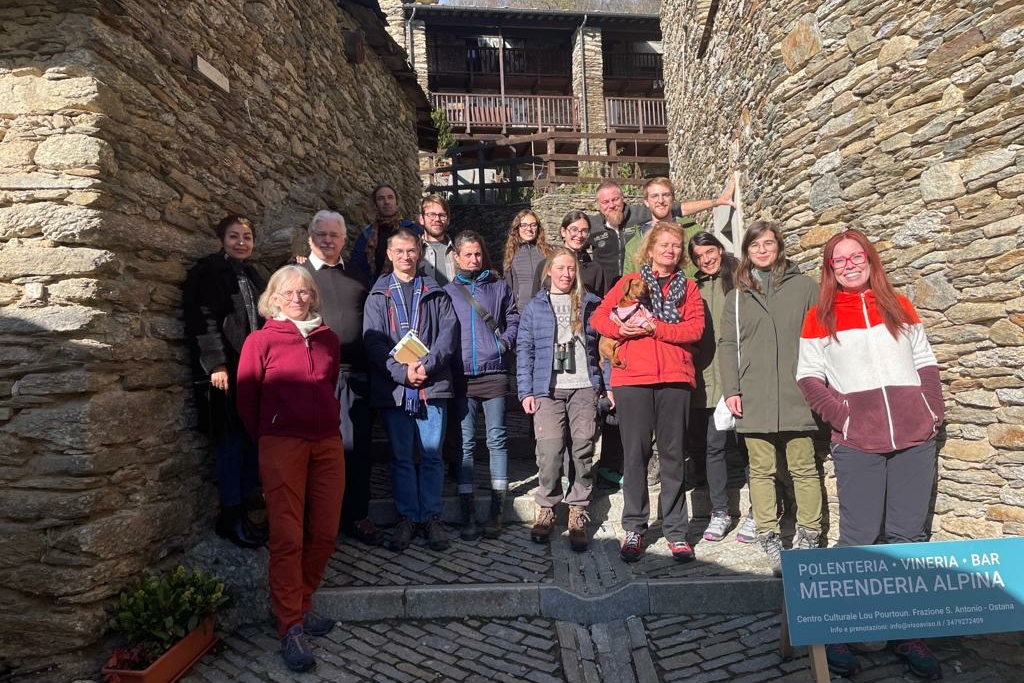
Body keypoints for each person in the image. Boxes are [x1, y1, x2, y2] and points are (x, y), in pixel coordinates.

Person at [797, 229, 944, 680]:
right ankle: (840, 629)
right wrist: (844, 418)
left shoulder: (898, 303)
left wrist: (930, 412)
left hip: (914, 441)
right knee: (858, 539)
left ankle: (905, 630)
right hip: (858, 442)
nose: (847, 265)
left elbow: (925, 361)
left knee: (908, 538)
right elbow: (809, 378)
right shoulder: (819, 315)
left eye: (854, 256)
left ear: (870, 258)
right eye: (837, 261)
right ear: (829, 269)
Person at [235, 265, 344, 673]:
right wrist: (271, 433)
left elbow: (329, 384)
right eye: (289, 292)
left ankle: (304, 600)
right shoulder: (260, 341)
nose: (298, 298)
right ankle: (290, 624)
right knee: (286, 536)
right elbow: (247, 399)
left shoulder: (328, 339)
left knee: (325, 530)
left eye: (305, 292)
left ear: (313, 297)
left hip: (327, 443)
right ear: (275, 297)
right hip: (281, 445)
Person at [592, 221, 705, 563]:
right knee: (635, 456)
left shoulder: (689, 289)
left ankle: (676, 532)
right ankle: (635, 527)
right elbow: (599, 318)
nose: (669, 250)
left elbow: (695, 329)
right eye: (664, 245)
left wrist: (657, 328)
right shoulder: (629, 283)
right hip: (633, 380)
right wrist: (621, 328)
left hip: (674, 378)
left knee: (672, 457)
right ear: (650, 248)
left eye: (675, 246)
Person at [718, 221, 822, 576]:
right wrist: (731, 390)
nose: (762, 251)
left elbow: (823, 336)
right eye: (755, 245)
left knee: (804, 467)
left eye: (768, 244)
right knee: (761, 471)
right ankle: (768, 534)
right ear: (746, 252)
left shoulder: (806, 288)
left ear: (779, 247)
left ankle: (810, 533)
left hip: (797, 391)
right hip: (754, 393)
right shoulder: (736, 297)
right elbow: (728, 346)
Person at [363, 228, 458, 552]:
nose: (406, 256)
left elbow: (448, 333)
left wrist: (426, 367)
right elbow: (373, 341)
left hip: (432, 386)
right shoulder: (378, 295)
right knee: (401, 457)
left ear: (420, 252)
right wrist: (402, 373)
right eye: (399, 251)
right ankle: (407, 517)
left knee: (432, 457)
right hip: (395, 389)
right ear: (389, 254)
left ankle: (431, 517)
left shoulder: (435, 290)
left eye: (411, 251)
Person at [183, 215, 266, 549]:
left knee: (251, 444)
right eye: (235, 236)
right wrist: (216, 363)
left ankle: (244, 511)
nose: (241, 242)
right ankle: (230, 517)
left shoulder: (253, 274)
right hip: (226, 375)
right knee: (230, 445)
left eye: (247, 237)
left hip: (254, 373)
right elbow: (201, 320)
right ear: (222, 239)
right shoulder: (207, 272)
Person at [299, 210, 380, 546]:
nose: (328, 240)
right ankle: (317, 524)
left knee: (357, 452)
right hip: (312, 381)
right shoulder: (296, 276)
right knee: (315, 454)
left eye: (334, 235)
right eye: (321, 234)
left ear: (345, 240)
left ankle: (356, 516)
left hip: (354, 378)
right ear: (310, 238)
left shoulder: (359, 277)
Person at [517, 247, 604, 552]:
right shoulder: (535, 307)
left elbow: (605, 346)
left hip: (583, 387)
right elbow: (524, 349)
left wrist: (605, 385)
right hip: (548, 389)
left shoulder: (591, 304)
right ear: (549, 271)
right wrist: (525, 391)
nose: (566, 274)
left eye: (571, 269)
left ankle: (578, 509)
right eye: (561, 268)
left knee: (582, 449)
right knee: (551, 450)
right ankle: (547, 506)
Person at [444, 231, 520, 540]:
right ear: (457, 257)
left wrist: (503, 344)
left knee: (497, 440)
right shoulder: (447, 292)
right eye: (468, 255)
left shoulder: (498, 287)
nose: (474, 259)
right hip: (462, 376)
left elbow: (514, 319)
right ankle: (468, 513)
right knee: (465, 445)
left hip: (494, 373)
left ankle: (496, 511)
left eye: (478, 254)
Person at [687, 231, 754, 543]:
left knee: (750, 445)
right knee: (714, 446)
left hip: (742, 376)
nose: (705, 260)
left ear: (718, 248)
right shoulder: (694, 286)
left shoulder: (742, 278)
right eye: (698, 257)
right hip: (708, 379)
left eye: (709, 252)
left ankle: (759, 511)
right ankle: (720, 511)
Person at [587, 178, 735, 287]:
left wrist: (717, 202)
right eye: (605, 202)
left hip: (690, 299)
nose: (612, 205)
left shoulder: (638, 215)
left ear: (623, 199)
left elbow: (680, 209)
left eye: (615, 200)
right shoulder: (594, 227)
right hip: (615, 293)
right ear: (598, 205)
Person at [351, 182, 423, 281]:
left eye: (390, 197)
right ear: (375, 204)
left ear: (396, 202)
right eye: (381, 198)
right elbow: (356, 266)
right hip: (376, 290)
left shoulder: (412, 230)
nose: (386, 202)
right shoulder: (367, 235)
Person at [534, 210, 606, 297]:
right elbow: (535, 302)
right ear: (563, 231)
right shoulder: (545, 265)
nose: (579, 235)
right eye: (574, 229)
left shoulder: (595, 269)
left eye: (584, 231)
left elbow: (601, 305)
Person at [503, 209, 551, 313]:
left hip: (545, 309)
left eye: (533, 225)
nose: (529, 229)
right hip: (521, 311)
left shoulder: (547, 252)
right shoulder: (511, 254)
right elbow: (508, 287)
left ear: (538, 228)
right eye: (524, 225)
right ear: (517, 228)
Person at [418, 194, 456, 286]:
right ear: (421, 219)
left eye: (442, 215)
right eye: (431, 214)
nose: (437, 219)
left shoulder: (458, 251)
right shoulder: (412, 251)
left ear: (448, 220)